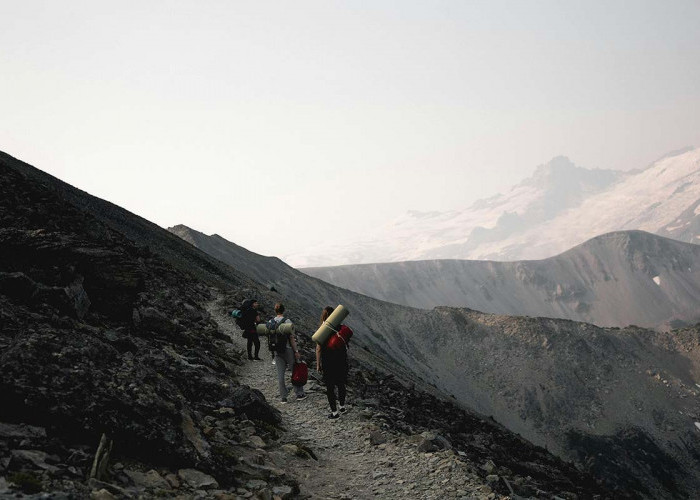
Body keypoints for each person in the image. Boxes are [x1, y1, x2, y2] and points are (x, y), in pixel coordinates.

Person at [316, 306, 349, 419]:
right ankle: (342, 406)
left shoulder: (323, 330)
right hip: (341, 359)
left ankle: (334, 413)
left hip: (328, 361)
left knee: (330, 387)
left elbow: (318, 349)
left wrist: (318, 364)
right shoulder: (339, 327)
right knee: (341, 384)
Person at [270, 302, 306, 403]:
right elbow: (291, 338)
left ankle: (283, 397)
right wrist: (296, 351)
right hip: (288, 350)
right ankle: (299, 394)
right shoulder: (287, 321)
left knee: (280, 375)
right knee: (295, 372)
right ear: (283, 310)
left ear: (275, 311)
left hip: (277, 352)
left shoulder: (271, 321)